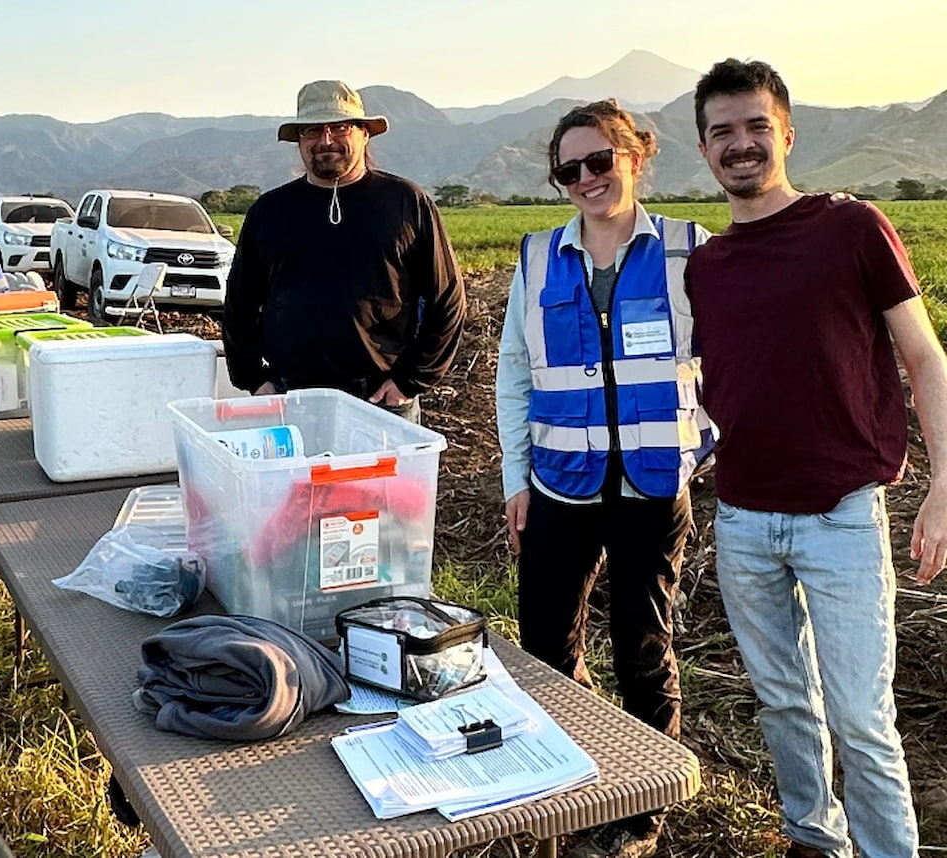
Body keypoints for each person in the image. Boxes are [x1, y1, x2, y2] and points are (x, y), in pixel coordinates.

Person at [687, 59, 947, 858]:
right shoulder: (708, 266)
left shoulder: (851, 227)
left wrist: (945, 489)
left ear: (787, 133)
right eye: (723, 132)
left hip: (839, 518)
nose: (741, 145)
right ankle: (812, 835)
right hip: (742, 519)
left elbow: (926, 360)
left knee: (863, 718)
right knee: (782, 702)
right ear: (704, 150)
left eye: (756, 126)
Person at [496, 100, 714, 858]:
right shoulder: (535, 257)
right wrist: (513, 479)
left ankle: (642, 813)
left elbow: (734, 361)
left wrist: (701, 444)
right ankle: (574, 781)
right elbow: (515, 377)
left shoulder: (691, 251)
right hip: (560, 483)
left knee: (642, 644)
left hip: (654, 488)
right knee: (546, 645)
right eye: (570, 169)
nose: (587, 179)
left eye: (601, 161)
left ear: (638, 155)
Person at [222, 80, 465, 423]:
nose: (325, 141)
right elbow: (239, 305)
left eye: (339, 127)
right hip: (290, 401)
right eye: (312, 130)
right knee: (294, 481)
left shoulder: (406, 203)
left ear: (364, 134)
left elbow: (448, 298)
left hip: (381, 401)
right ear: (298, 140)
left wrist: (409, 381)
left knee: (379, 481)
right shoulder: (269, 211)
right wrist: (253, 378)